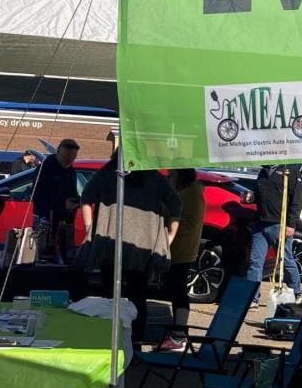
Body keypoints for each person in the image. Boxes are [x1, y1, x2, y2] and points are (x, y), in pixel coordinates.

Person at [78, 153, 182, 351]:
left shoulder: (108, 173)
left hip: (110, 244)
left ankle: (110, 342)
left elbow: (85, 198)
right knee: (137, 297)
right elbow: (176, 204)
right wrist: (169, 236)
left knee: (110, 296)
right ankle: (134, 343)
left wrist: (89, 227)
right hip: (142, 248)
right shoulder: (153, 177)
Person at [156, 168, 205, 351]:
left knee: (178, 291)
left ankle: (179, 336)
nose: (168, 177)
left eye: (172, 174)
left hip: (181, 250)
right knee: (175, 290)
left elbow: (188, 221)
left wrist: (167, 226)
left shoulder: (189, 194)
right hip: (178, 249)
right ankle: (177, 333)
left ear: (181, 175)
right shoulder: (186, 192)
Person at [247, 164, 302, 303]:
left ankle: (297, 293)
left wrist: (291, 224)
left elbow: (297, 201)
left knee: (286, 260)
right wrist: (251, 197)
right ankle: (252, 298)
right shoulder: (263, 171)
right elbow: (260, 193)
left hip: (280, 224)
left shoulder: (290, 171)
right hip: (260, 224)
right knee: (255, 262)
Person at [32, 139, 80, 260]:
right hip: (46, 220)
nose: (70, 160)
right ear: (58, 152)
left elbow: (72, 192)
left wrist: (76, 202)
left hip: (65, 222)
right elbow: (38, 195)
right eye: (67, 156)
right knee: (44, 255)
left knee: (65, 257)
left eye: (73, 157)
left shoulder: (70, 171)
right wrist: (62, 204)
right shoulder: (46, 169)